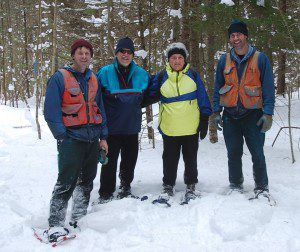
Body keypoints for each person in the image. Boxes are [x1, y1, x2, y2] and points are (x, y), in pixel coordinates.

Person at [44, 38, 108, 242]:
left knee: (86, 180)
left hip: (92, 138)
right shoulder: (59, 78)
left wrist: (103, 136)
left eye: (87, 53)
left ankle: (79, 217)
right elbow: (51, 111)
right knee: (66, 181)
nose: (84, 56)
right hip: (71, 139)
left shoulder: (94, 78)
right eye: (80, 52)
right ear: (73, 55)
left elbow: (100, 109)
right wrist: (62, 136)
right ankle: (55, 223)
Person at [213, 20, 275, 199]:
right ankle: (235, 184)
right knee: (233, 153)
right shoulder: (224, 60)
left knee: (257, 153)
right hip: (230, 115)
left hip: (253, 115)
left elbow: (269, 87)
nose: (236, 38)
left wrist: (268, 113)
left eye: (239, 34)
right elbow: (218, 86)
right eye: (232, 36)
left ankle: (262, 187)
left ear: (245, 36)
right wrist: (217, 111)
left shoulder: (260, 58)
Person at [145, 42, 212, 202]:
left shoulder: (193, 75)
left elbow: (203, 97)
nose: (176, 61)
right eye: (173, 58)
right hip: (170, 127)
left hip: (191, 127)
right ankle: (168, 185)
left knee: (190, 158)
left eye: (180, 58)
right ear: (168, 60)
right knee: (169, 158)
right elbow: (150, 94)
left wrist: (204, 119)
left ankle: (191, 185)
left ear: (185, 60)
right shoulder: (162, 76)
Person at [94, 37, 149, 203]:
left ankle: (125, 187)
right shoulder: (104, 73)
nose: (125, 55)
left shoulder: (141, 74)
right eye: (122, 52)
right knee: (108, 163)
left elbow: (149, 95)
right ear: (116, 53)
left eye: (129, 52)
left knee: (129, 161)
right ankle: (106, 193)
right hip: (111, 128)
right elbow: (96, 99)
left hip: (132, 127)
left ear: (133, 55)